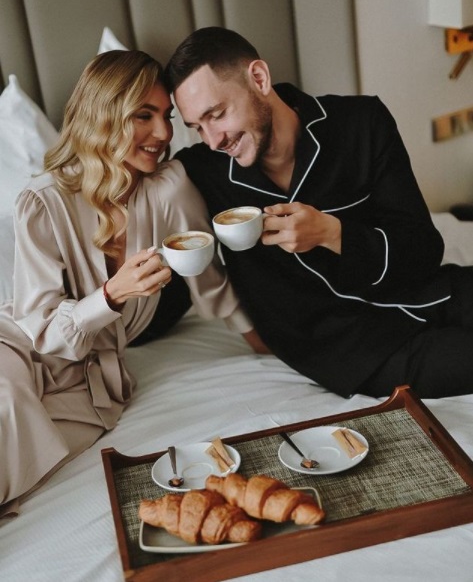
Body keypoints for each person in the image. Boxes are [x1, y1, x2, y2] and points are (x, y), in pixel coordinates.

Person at [0, 49, 261, 516]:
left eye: (166, 116)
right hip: (17, 347)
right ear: (102, 114)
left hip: (93, 388)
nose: (163, 134)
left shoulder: (168, 190)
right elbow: (42, 331)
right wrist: (110, 295)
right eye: (144, 115)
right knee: (6, 407)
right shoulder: (42, 203)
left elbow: (211, 284)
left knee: (27, 466)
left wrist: (270, 345)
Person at [165, 26, 473, 400]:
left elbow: (423, 249)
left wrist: (333, 234)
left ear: (259, 79)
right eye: (196, 127)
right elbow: (141, 193)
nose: (213, 140)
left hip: (429, 288)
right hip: (348, 345)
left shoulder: (362, 122)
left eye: (216, 114)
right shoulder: (199, 172)